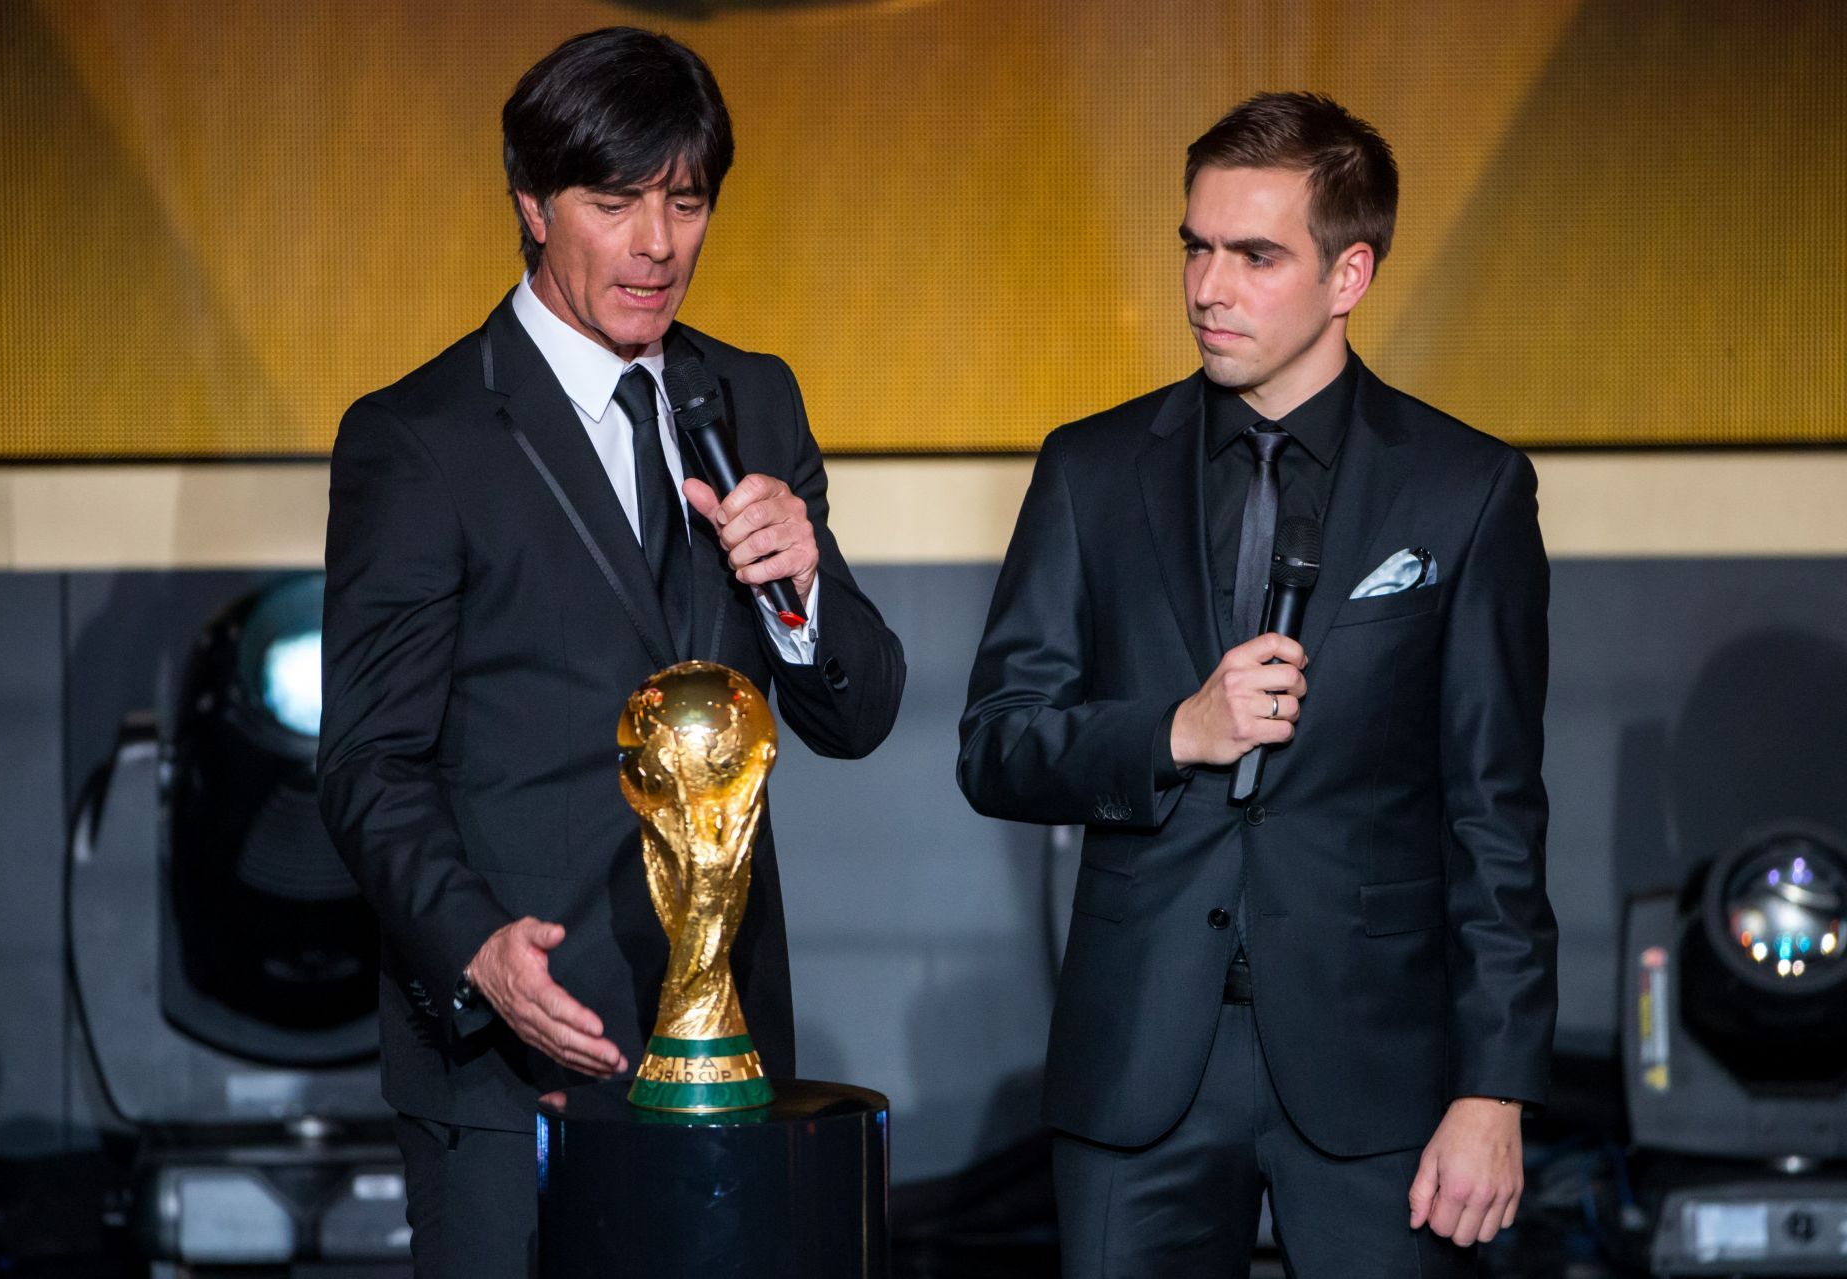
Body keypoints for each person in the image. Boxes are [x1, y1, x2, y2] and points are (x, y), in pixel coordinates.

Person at [316, 27, 905, 1275]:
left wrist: (800, 585)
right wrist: (476, 949)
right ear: (531, 203)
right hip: (518, 1052)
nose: (657, 244)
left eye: (685, 203)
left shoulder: (753, 398)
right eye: (615, 200)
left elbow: (859, 713)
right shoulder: (420, 436)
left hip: (725, 1047)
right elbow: (369, 761)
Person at [957, 91, 1556, 1276]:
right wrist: (1174, 731)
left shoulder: (1464, 489)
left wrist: (1495, 1090)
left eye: (1255, 254)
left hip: (1375, 1072)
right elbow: (997, 744)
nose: (1207, 286)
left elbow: (1496, 815)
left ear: (1350, 276)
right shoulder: (1091, 470)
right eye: (1195, 245)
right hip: (1142, 1063)